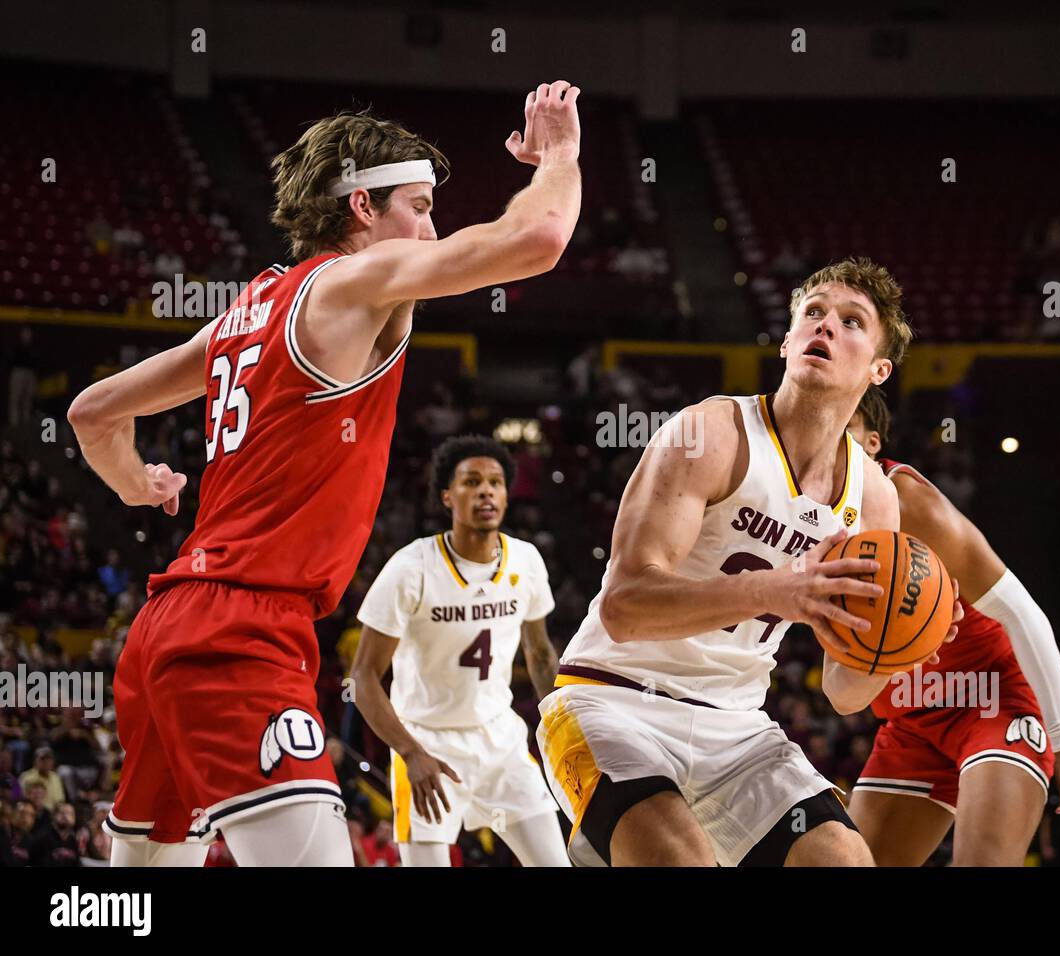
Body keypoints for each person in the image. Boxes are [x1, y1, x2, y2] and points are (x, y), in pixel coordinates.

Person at [66, 81, 583, 867]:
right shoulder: (347, 284)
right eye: (417, 205)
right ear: (362, 207)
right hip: (242, 631)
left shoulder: (250, 308)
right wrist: (562, 155)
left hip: (168, 624)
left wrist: (140, 484)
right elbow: (539, 238)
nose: (431, 227)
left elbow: (93, 411)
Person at [537, 258, 958, 867]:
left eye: (851, 322)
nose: (826, 327)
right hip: (611, 700)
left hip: (737, 728)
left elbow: (844, 691)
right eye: (813, 313)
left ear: (878, 369)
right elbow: (625, 608)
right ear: (787, 340)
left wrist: (899, 652)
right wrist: (773, 590)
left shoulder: (874, 497)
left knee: (844, 861)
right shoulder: (710, 433)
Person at [846, 388, 1060, 865]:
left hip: (991, 700)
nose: (829, 437)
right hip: (911, 716)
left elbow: (1024, 613)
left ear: (873, 443)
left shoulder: (911, 504)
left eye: (846, 427)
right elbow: (839, 692)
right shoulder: (806, 515)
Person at [352, 436, 568, 867]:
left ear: (507, 494)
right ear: (448, 496)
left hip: (500, 741)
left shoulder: (525, 561)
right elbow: (362, 679)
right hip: (426, 743)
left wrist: (566, 727)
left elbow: (541, 654)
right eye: (472, 482)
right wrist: (411, 752)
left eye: (496, 482)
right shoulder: (411, 568)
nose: (486, 490)